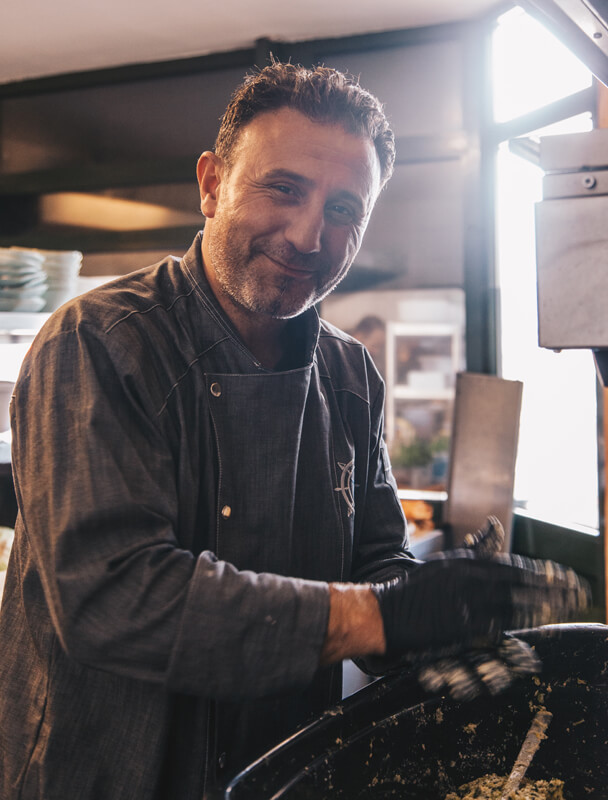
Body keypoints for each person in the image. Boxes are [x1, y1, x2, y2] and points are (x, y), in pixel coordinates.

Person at [0, 63, 588, 800]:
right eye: (284, 188)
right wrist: (383, 616)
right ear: (212, 184)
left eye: (346, 209)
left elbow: (376, 559)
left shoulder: (349, 375)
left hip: (284, 771)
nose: (311, 234)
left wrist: (437, 611)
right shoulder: (99, 342)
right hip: (103, 772)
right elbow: (115, 599)